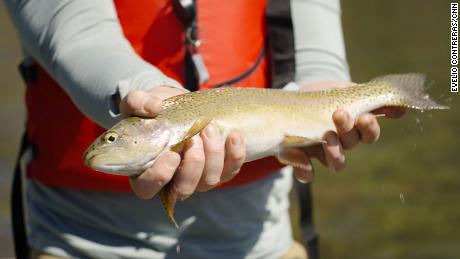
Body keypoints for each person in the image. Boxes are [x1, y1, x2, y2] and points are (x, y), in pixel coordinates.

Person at [5, 0, 403, 258]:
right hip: (83, 240)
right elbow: (73, 30)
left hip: (259, 240)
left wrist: (323, 83)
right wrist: (139, 92)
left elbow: (311, 30)